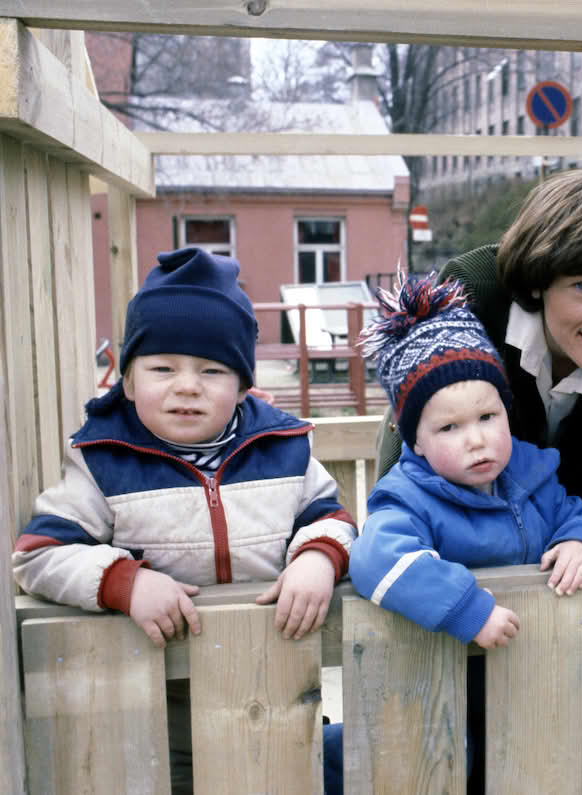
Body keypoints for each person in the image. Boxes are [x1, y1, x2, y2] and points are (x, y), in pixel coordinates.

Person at [10, 247, 356, 794]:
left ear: (243, 385)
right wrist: (125, 582)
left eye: (212, 370)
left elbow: (330, 516)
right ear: (126, 381)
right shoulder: (104, 461)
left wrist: (318, 556)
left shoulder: (283, 450)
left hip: (273, 676)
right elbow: (41, 553)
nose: (187, 385)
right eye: (163, 368)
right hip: (156, 697)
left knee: (286, 775)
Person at [350, 275, 582, 789]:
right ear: (417, 442)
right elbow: (375, 558)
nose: (476, 440)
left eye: (487, 416)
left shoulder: (530, 477)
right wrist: (468, 610)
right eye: (448, 428)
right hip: (439, 689)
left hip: (529, 687)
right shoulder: (409, 497)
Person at [375, 169, 582, 557]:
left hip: (580, 555)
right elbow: (407, 450)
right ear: (540, 279)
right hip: (456, 550)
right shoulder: (473, 297)